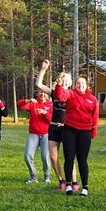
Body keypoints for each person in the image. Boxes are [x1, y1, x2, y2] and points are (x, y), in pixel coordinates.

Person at [35, 60, 80, 191]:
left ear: (70, 83)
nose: (65, 82)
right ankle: (61, 180)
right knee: (53, 157)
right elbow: (38, 84)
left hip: (67, 128)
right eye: (63, 80)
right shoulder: (54, 93)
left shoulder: (73, 95)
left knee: (69, 157)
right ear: (60, 81)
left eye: (67, 81)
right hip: (54, 127)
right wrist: (43, 69)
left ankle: (74, 181)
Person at [54, 75, 99, 196]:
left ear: (87, 85)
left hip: (85, 132)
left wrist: (93, 132)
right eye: (78, 83)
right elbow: (60, 96)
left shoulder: (93, 99)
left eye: (83, 84)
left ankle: (85, 187)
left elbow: (95, 117)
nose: (80, 86)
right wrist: (59, 84)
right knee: (69, 158)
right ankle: (68, 185)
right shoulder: (70, 94)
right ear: (75, 85)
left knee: (82, 160)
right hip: (69, 130)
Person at [17, 90, 53, 184]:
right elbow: (19, 104)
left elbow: (52, 120)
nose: (42, 94)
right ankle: (33, 177)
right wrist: (28, 101)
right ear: (38, 93)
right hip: (33, 133)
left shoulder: (50, 105)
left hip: (46, 134)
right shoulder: (33, 103)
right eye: (40, 92)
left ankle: (47, 177)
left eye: (44, 93)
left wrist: (45, 113)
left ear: (47, 94)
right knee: (27, 155)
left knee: (45, 156)